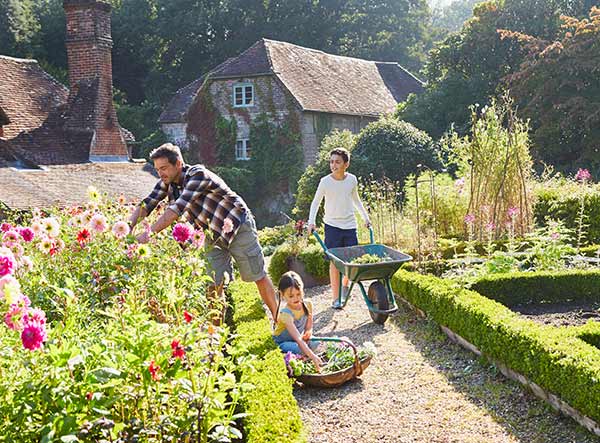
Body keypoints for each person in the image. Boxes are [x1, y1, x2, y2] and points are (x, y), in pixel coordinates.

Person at [129, 143, 278, 319]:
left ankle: (280, 322)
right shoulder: (167, 183)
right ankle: (215, 339)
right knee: (213, 286)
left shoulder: (197, 175)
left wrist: (148, 234)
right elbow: (148, 203)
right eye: (157, 169)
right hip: (211, 236)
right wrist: (127, 227)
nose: (161, 173)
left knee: (257, 275)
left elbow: (176, 211)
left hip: (237, 226)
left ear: (178, 163)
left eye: (164, 168)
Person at [307, 148, 370, 309]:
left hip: (350, 225)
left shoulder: (352, 180)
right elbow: (316, 202)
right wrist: (311, 221)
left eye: (337, 162)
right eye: (331, 161)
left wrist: (365, 218)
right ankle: (335, 298)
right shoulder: (325, 182)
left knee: (349, 260)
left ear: (346, 164)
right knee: (335, 262)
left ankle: (345, 285)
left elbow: (356, 200)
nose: (333, 165)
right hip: (332, 226)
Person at [272, 271, 323, 371]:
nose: (296, 298)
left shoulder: (307, 305)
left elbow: (309, 326)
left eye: (298, 294)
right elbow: (298, 338)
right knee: (301, 349)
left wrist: (308, 333)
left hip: (296, 340)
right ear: (282, 295)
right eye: (291, 296)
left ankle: (301, 354)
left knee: (315, 342)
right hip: (282, 342)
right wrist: (313, 356)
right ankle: (291, 355)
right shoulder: (286, 313)